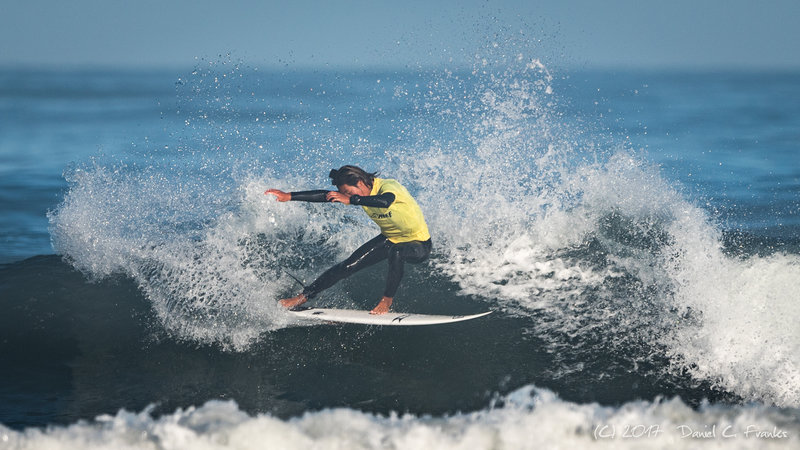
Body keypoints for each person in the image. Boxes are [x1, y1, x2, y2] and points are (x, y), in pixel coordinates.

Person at [265, 165, 432, 314]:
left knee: (397, 252)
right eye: (347, 195)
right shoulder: (357, 192)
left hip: (418, 244)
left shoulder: (388, 186)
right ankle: (303, 296)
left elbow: (385, 201)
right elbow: (326, 196)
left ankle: (386, 301)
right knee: (347, 265)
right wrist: (289, 196)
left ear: (360, 182)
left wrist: (353, 199)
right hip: (390, 238)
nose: (347, 197)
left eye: (349, 192)